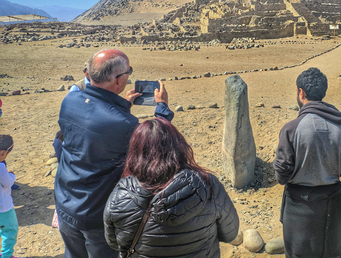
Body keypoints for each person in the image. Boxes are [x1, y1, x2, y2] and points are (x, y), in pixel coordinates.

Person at [55, 49, 174, 258]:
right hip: (95, 214)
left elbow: (92, 130)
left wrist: (121, 106)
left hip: (65, 202)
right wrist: (162, 108)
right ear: (119, 81)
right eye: (128, 73)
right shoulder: (123, 124)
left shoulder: (69, 101)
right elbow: (155, 147)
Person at [104, 117, 239, 257]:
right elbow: (230, 234)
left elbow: (114, 242)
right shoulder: (208, 185)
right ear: (178, 146)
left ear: (135, 151)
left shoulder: (119, 195)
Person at [273, 67, 341, 258]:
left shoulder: (292, 128)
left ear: (301, 92)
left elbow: (281, 175)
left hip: (301, 209)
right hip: (332, 205)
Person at [0, 134, 24, 258]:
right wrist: (11, 175)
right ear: (3, 153)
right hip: (4, 208)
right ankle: (6, 255)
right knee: (10, 231)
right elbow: (8, 183)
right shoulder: (0, 167)